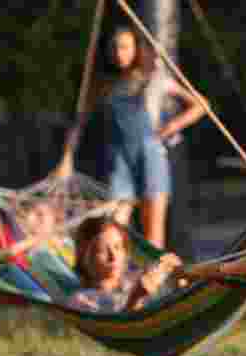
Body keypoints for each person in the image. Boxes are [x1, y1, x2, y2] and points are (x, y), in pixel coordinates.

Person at [59, 25, 205, 250]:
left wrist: (172, 126)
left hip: (151, 157)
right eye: (114, 48)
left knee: (153, 233)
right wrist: (66, 158)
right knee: (114, 226)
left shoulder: (154, 79)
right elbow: (79, 122)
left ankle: (154, 273)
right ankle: (117, 269)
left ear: (137, 49)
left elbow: (201, 105)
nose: (119, 53)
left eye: (125, 47)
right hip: (118, 160)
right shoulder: (102, 85)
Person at [68, 216, 182, 313]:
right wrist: (135, 299)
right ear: (83, 257)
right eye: (101, 250)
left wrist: (175, 275)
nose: (113, 257)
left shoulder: (134, 280)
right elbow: (116, 327)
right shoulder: (82, 300)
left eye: (118, 247)